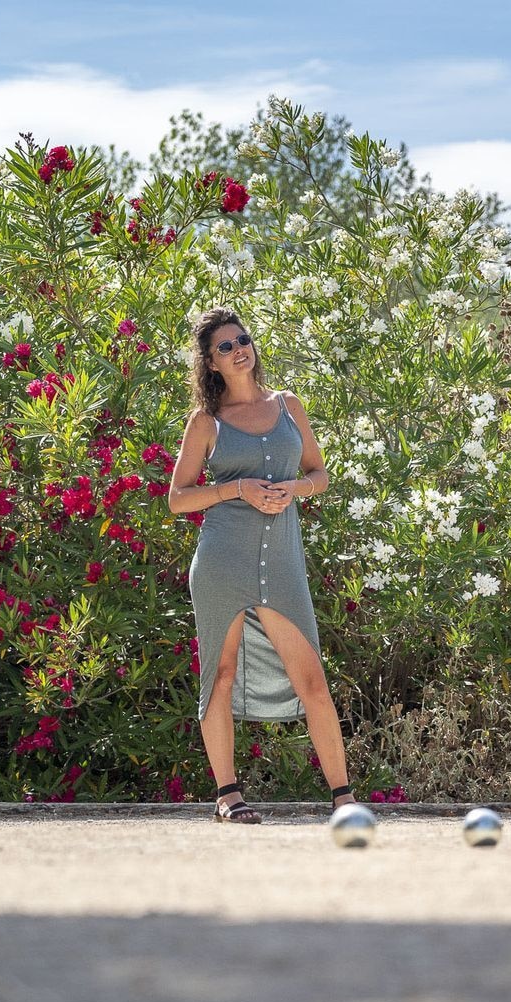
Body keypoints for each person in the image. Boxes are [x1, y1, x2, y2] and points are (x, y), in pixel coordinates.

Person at [168, 307, 354, 822]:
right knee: (221, 674)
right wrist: (237, 489)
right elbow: (177, 498)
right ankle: (228, 795)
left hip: (284, 563)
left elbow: (319, 474)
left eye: (242, 340)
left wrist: (295, 488)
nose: (238, 350)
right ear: (210, 362)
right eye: (225, 347)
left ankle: (344, 798)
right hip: (222, 563)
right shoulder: (205, 422)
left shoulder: (288, 405)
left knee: (311, 678)